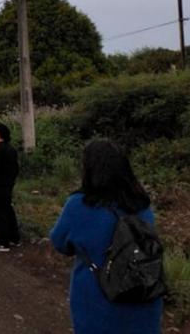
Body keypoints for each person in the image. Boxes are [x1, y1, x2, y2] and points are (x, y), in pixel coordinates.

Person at [49, 140, 163, 333]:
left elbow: (59, 242)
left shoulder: (79, 204)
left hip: (98, 298)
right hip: (144, 294)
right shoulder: (141, 202)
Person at [0, 123, 21, 250]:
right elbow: (15, 169)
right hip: (7, 185)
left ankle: (2, 242)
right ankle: (14, 238)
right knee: (8, 211)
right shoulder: (10, 148)